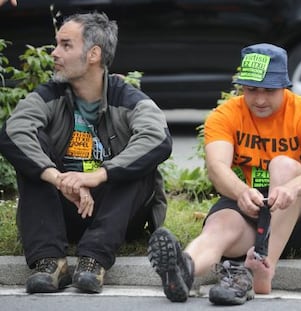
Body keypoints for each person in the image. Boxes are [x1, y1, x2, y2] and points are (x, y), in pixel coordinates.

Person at [147, 43, 301, 305]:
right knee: (220, 226)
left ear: (284, 86)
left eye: (269, 91)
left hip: (299, 213)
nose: (259, 100)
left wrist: (293, 188)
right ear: (242, 87)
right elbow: (217, 168)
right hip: (249, 204)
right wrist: (241, 192)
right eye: (251, 90)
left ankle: (261, 270)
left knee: (283, 166)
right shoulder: (224, 115)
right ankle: (183, 270)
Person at [0, 12, 172, 294]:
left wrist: (98, 176)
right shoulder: (50, 93)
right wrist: (57, 178)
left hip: (115, 211)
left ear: (93, 54)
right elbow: (13, 131)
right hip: (62, 207)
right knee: (30, 149)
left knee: (141, 163)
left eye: (66, 45)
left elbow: (159, 139)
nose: (54, 53)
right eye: (57, 44)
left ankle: (94, 259)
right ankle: (50, 261)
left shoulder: (127, 98)